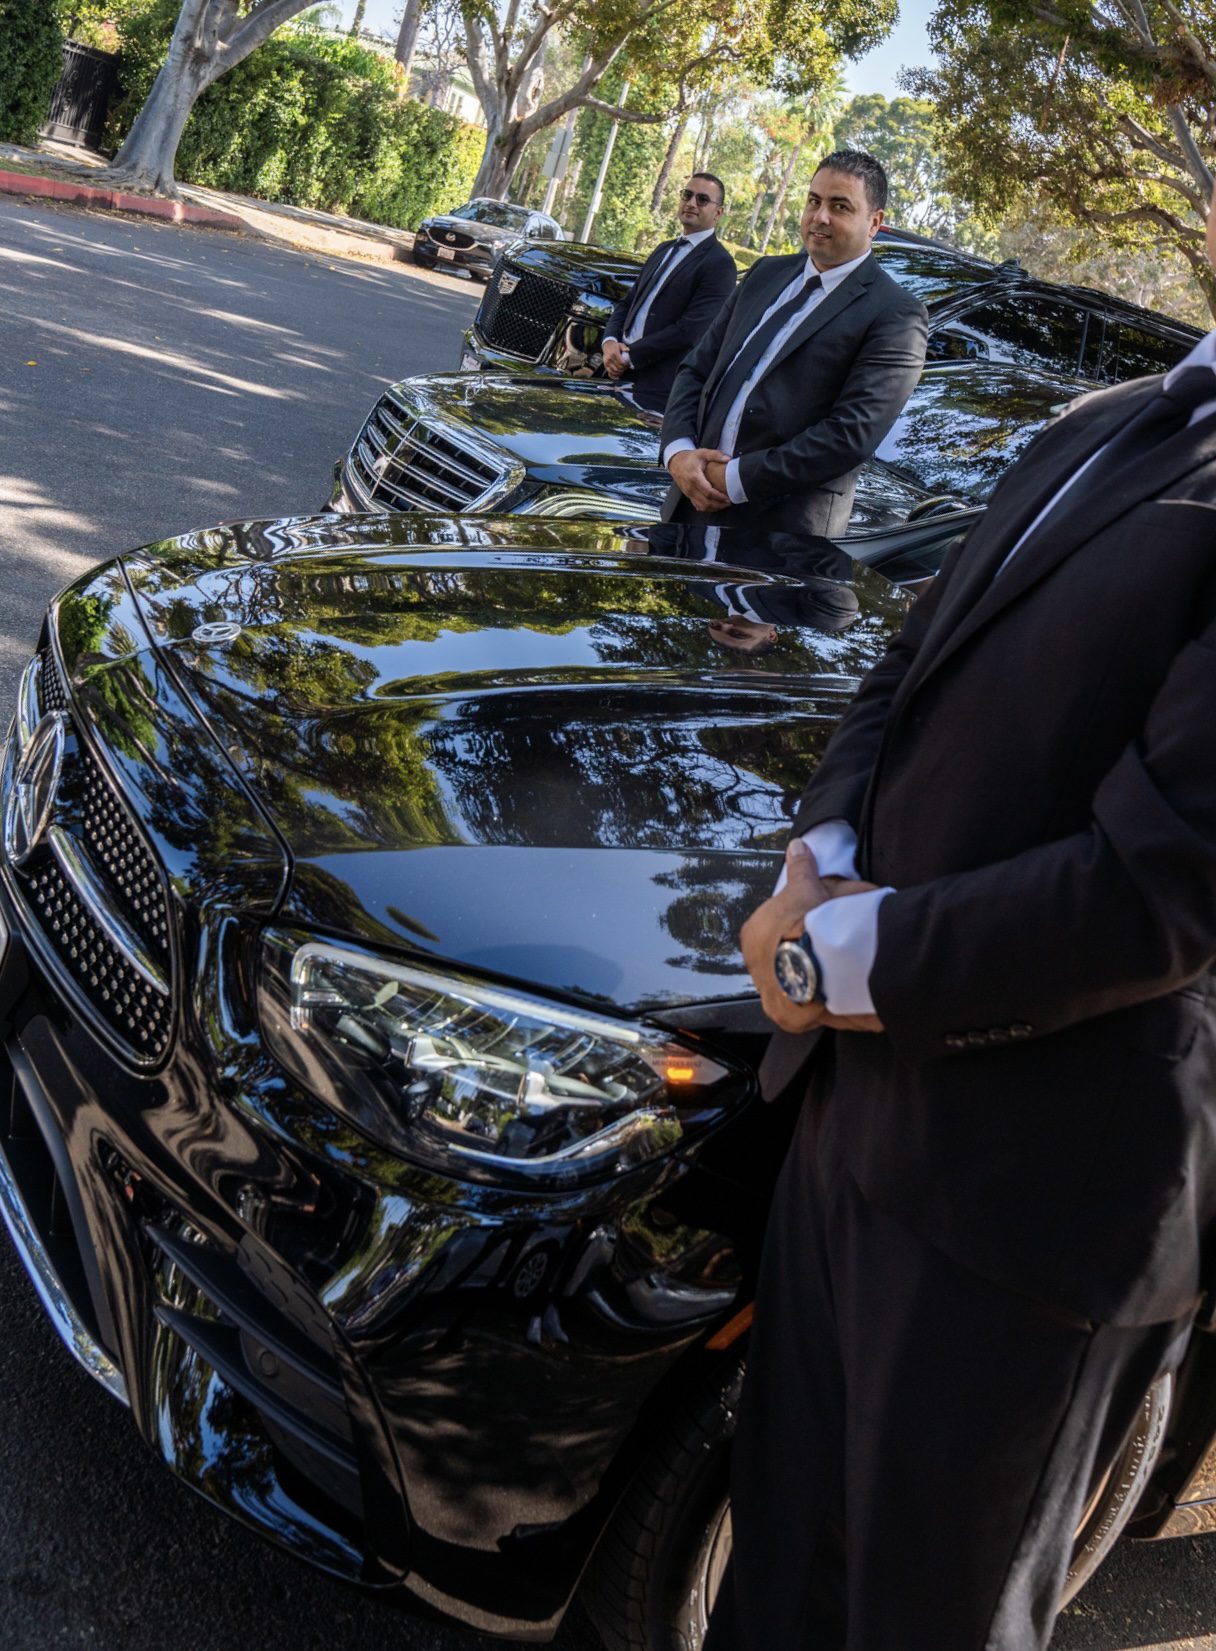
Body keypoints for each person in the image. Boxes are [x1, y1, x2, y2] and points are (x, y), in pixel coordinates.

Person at [708, 194, 1216, 1651]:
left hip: (1029, 1212)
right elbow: (909, 660)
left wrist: (825, 958)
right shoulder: (1112, 417)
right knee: (774, 1582)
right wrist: (817, 854)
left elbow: (1161, 881)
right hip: (849, 1124)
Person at [660, 150, 927, 536]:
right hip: (688, 502)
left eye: (840, 206)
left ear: (874, 222)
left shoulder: (896, 313)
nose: (820, 216)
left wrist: (733, 479)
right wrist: (678, 452)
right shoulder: (765, 273)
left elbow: (849, 435)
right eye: (814, 201)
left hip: (780, 537)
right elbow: (696, 367)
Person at [600, 173, 737, 413]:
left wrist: (629, 357)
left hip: (656, 390)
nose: (691, 203)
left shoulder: (720, 264)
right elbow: (629, 302)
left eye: (702, 199)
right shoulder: (663, 249)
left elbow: (690, 331)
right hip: (615, 371)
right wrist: (609, 342)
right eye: (687, 195)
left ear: (718, 213)